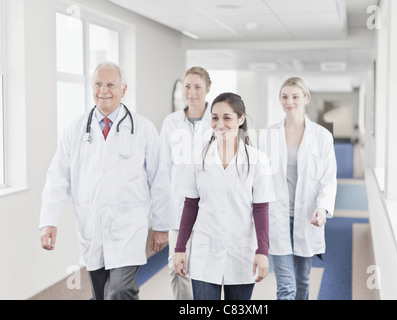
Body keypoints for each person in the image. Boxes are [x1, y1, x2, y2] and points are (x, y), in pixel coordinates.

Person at [39, 62, 171, 300]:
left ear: (123, 89)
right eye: (98, 84)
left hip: (128, 228)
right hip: (92, 227)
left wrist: (161, 226)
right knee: (101, 294)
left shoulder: (143, 128)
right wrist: (48, 221)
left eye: (111, 84)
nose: (103, 90)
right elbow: (58, 177)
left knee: (120, 290)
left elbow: (159, 178)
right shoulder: (76, 129)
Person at [173, 92, 275, 300]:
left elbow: (261, 208)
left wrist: (262, 251)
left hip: (242, 251)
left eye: (227, 117)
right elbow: (190, 205)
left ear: (241, 119)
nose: (220, 124)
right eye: (215, 117)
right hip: (205, 252)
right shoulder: (197, 157)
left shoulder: (258, 160)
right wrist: (180, 248)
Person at [259, 77, 337, 300]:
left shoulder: (322, 136)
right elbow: (260, 179)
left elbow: (328, 179)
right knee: (286, 287)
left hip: (307, 217)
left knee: (302, 282)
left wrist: (322, 209)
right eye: (284, 97)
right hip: (277, 217)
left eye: (295, 96)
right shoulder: (267, 136)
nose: (289, 102)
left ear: (306, 98)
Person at [159, 66, 213, 300]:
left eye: (197, 87)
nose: (191, 92)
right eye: (187, 86)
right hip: (179, 206)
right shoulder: (171, 122)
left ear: (207, 89)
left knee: (207, 267)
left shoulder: (218, 120)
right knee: (177, 267)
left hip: (210, 206)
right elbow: (164, 168)